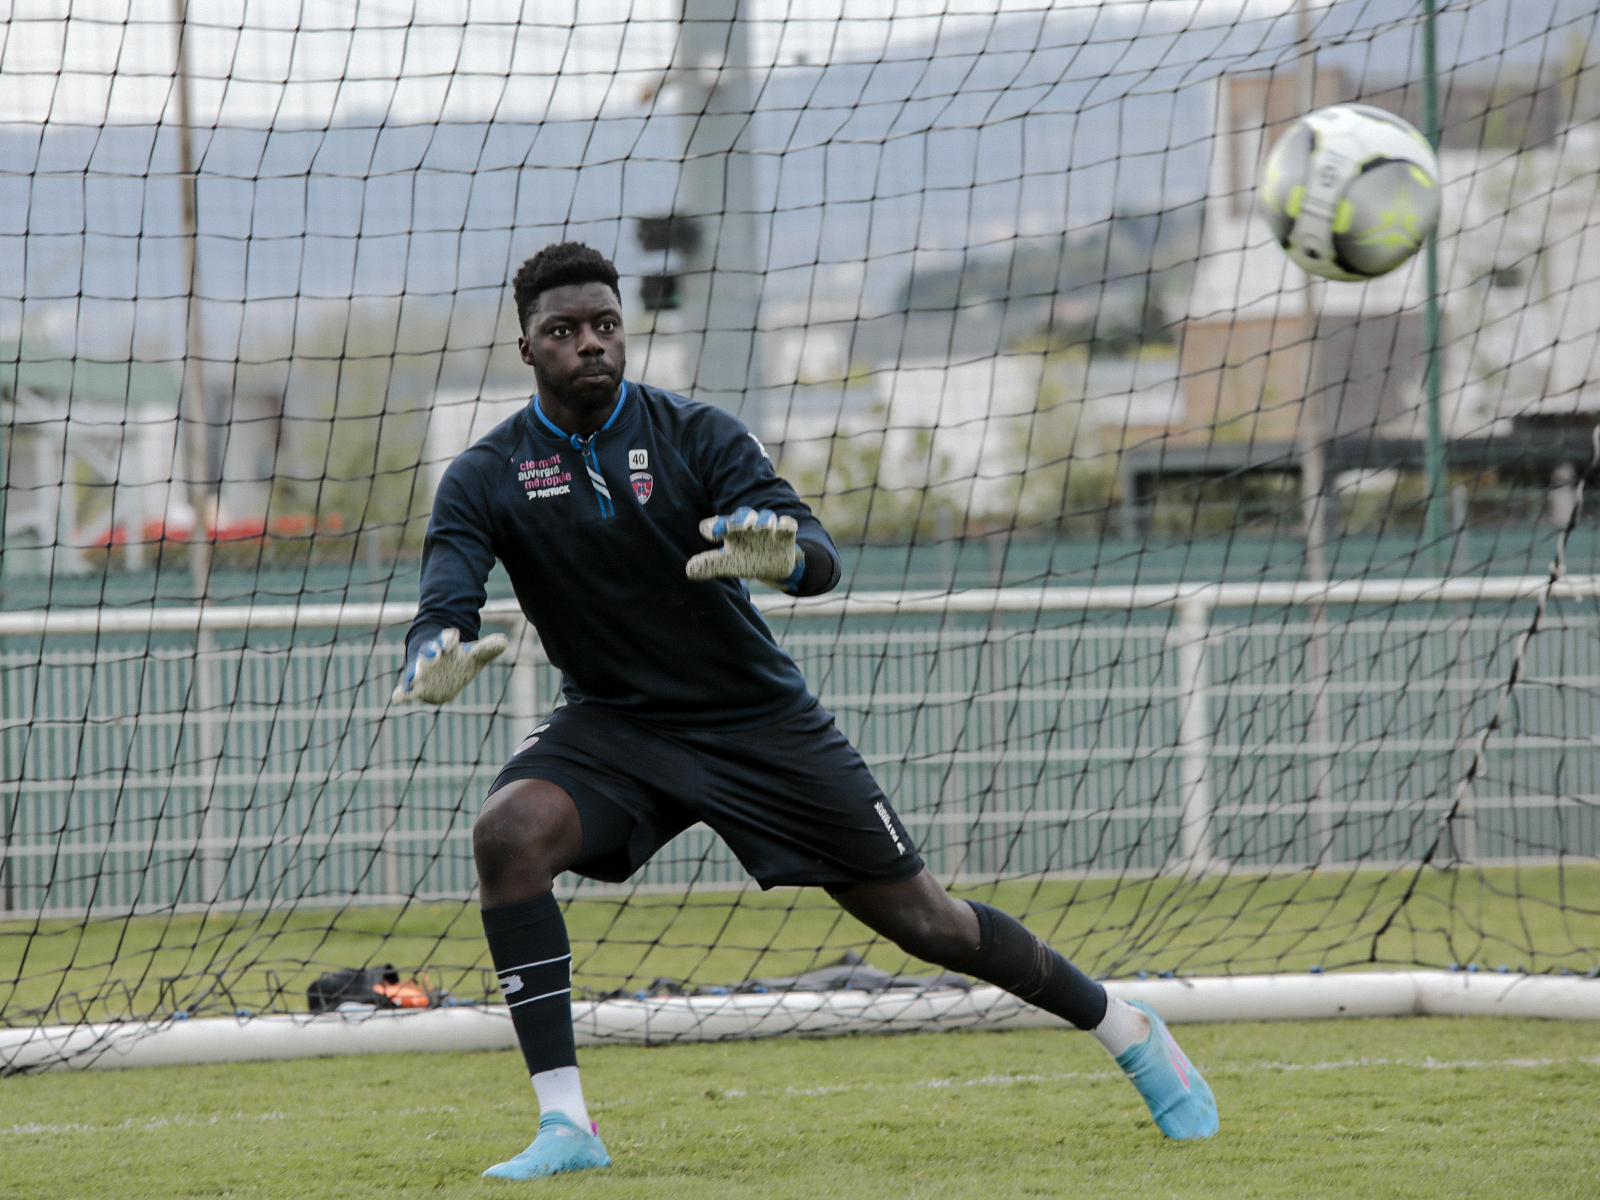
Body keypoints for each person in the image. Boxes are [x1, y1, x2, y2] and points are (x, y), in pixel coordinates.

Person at [396, 241, 1217, 1181]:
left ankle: (1128, 1029)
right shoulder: (486, 474)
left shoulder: (698, 433)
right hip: (615, 726)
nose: (589, 344)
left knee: (931, 926)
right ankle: (566, 1126)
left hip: (756, 722)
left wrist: (778, 556)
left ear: (624, 332)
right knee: (509, 833)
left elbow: (818, 555)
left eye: (605, 326)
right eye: (564, 331)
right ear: (527, 346)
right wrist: (435, 658)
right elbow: (444, 604)